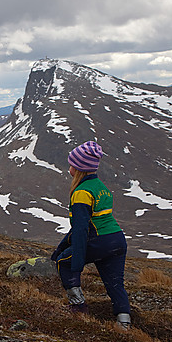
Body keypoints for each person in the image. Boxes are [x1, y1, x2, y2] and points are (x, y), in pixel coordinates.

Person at [51, 141, 132, 329]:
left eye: (71, 164)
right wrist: (62, 247)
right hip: (117, 240)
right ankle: (124, 323)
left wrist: (75, 262)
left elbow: (80, 230)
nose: (69, 167)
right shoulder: (101, 187)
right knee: (115, 283)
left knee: (64, 262)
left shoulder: (81, 193)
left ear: (79, 168)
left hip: (99, 241)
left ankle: (78, 308)